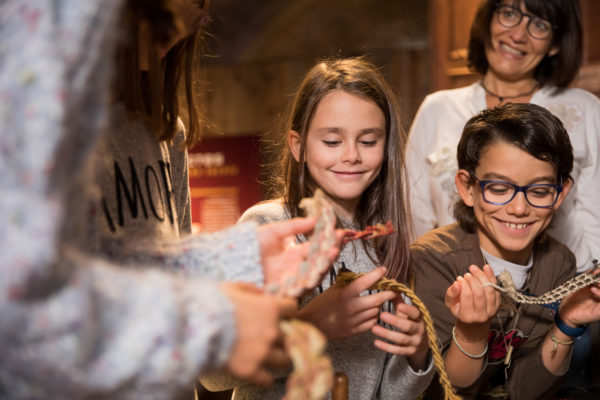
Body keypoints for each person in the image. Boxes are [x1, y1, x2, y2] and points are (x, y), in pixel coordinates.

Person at [0, 1, 341, 398]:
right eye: (167, 15)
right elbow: (32, 308)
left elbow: (130, 264)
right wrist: (215, 324)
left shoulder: (161, 130)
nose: (179, 32)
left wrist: (234, 257)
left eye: (195, 15)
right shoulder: (32, 107)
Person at [202, 57, 435, 399]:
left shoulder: (384, 243)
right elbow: (213, 373)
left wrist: (417, 354)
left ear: (386, 149)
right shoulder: (266, 227)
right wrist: (312, 326)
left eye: (368, 141)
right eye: (332, 142)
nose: (351, 155)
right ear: (299, 147)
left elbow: (388, 392)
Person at [412, 103, 600, 399]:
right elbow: (445, 391)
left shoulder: (558, 262)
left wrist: (567, 323)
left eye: (539, 191)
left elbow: (525, 390)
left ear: (560, 193)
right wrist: (471, 333)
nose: (519, 208)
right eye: (499, 189)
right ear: (468, 187)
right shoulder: (432, 260)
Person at [406, 0, 600, 273]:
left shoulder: (586, 109)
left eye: (539, 24)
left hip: (563, 284)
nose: (518, 35)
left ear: (555, 43)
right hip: (455, 283)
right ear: (489, 20)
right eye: (509, 13)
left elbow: (595, 227)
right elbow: (414, 218)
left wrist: (583, 287)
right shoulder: (437, 109)